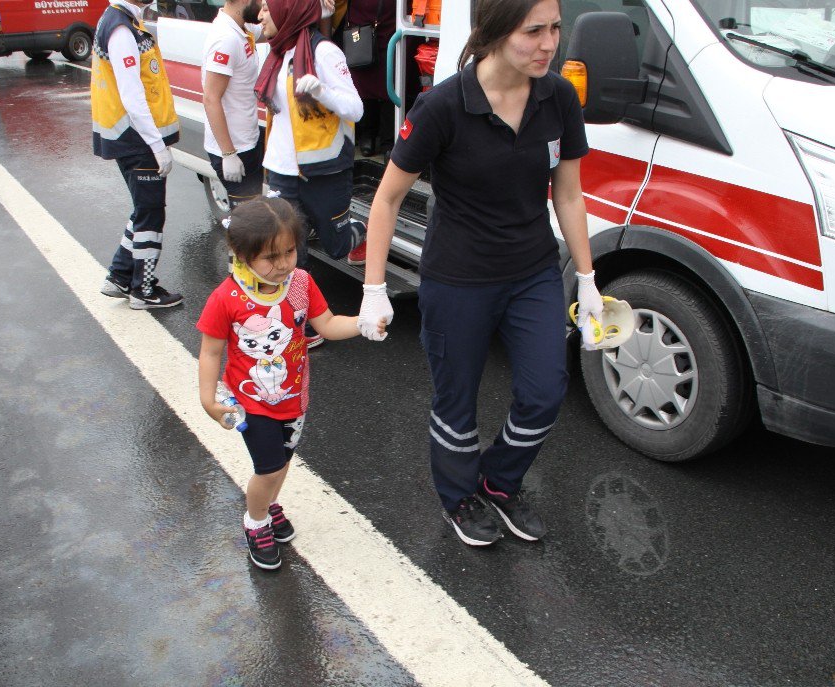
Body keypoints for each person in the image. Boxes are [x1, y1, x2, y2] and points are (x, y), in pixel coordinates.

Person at [357, 0, 604, 547]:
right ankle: (459, 496)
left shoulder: (557, 95)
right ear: (493, 33)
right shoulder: (442, 105)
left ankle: (499, 481)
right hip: (458, 278)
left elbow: (567, 192)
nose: (549, 44)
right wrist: (374, 288)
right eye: (533, 31)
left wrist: (587, 281)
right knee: (457, 400)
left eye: (555, 29)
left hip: (533, 271)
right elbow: (388, 198)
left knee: (545, 391)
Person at [196, 196, 385, 570]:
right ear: (240, 252)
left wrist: (363, 323)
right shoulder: (227, 299)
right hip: (251, 403)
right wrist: (207, 399)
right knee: (268, 468)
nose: (283, 263)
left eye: (289, 251)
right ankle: (256, 521)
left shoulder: (300, 283)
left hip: (295, 399)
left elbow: (327, 325)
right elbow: (210, 352)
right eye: (270, 256)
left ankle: (267, 502)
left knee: (282, 463)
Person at [254, 0, 368, 323]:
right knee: (291, 254)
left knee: (336, 245)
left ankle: (365, 233)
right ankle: (299, 324)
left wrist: (321, 92)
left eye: (266, 7)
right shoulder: (276, 52)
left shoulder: (324, 53)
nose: (260, 14)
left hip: (324, 170)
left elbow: (356, 109)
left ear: (286, 11)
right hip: (282, 170)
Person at [92, 0, 183, 309]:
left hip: (132, 136)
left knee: (143, 210)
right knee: (151, 215)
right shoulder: (120, 29)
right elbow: (132, 95)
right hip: (137, 138)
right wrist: (157, 146)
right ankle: (142, 290)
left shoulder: (123, 20)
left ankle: (119, 276)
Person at [202, 0, 266, 214]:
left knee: (253, 220)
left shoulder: (241, 28)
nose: (263, 3)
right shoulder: (226, 39)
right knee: (249, 225)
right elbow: (211, 98)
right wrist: (228, 154)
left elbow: (274, 29)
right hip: (235, 148)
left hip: (247, 140)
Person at [338, 0, 397, 157]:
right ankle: (367, 135)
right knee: (362, 81)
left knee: (390, 84)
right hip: (360, 28)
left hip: (391, 26)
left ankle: (388, 141)